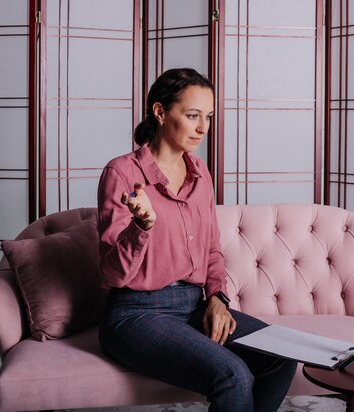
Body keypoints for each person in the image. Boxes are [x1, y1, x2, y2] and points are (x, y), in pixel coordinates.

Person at [97, 68, 297, 412]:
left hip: (194, 305)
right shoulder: (122, 173)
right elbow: (113, 275)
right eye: (192, 116)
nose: (203, 128)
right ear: (160, 112)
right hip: (136, 313)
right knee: (233, 375)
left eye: (208, 117)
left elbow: (211, 249)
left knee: (280, 356)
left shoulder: (200, 172)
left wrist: (218, 298)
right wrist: (141, 226)